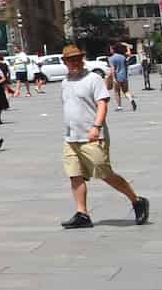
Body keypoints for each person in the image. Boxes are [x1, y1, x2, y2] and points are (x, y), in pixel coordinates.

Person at [57, 45, 151, 230]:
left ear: (82, 59)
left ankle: (137, 200)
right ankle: (82, 213)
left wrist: (96, 127)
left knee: (105, 173)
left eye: (77, 58)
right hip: (71, 137)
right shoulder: (65, 81)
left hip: (92, 136)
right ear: (65, 62)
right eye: (70, 60)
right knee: (75, 175)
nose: (74, 62)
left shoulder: (93, 79)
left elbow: (102, 104)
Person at [108, 44, 136, 112]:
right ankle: (131, 100)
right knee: (126, 91)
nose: (110, 50)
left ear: (113, 50)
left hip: (117, 77)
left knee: (117, 92)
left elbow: (113, 69)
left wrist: (114, 78)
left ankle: (119, 106)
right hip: (124, 76)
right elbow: (126, 66)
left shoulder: (111, 58)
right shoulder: (122, 57)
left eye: (111, 49)